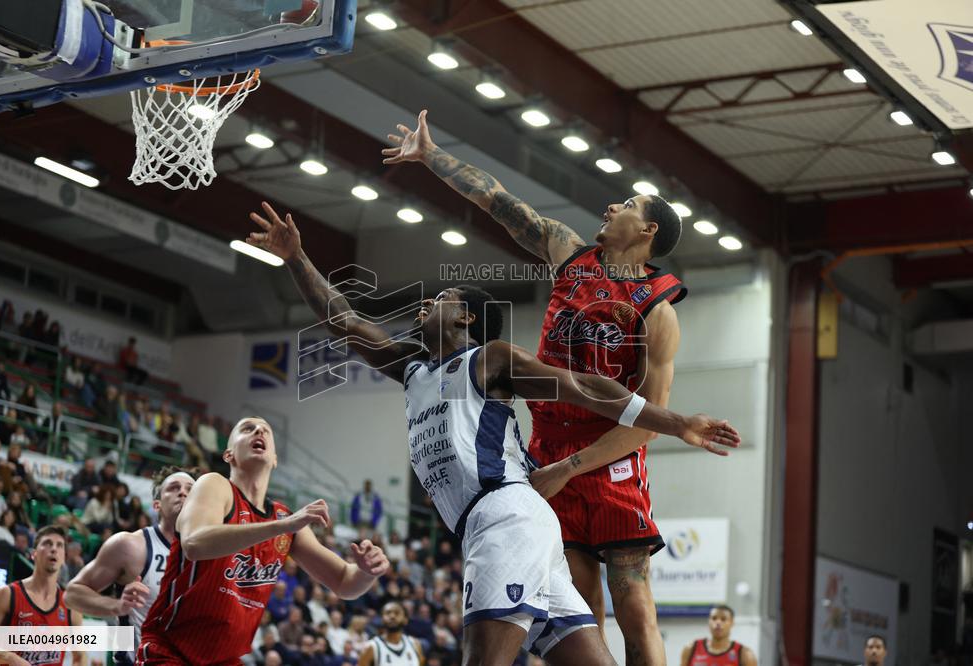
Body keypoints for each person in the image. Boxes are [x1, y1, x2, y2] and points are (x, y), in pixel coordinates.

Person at [247, 202, 739, 665]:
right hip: (510, 526)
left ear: (465, 318)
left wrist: (677, 423)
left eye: (439, 300)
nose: (423, 307)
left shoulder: (491, 361)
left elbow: (586, 387)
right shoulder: (414, 370)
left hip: (505, 517)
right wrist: (296, 257)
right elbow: (346, 321)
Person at [386, 109, 700, 665]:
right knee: (576, 597)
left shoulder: (657, 310)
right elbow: (497, 201)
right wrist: (432, 157)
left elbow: (648, 417)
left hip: (609, 451)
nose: (611, 207)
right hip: (547, 445)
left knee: (632, 598)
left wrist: (575, 466)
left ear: (648, 231)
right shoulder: (569, 253)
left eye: (626, 205)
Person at [136, 417, 390, 665]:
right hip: (171, 650)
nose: (258, 431)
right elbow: (194, 543)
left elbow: (345, 582)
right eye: (247, 429)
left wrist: (367, 572)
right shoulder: (215, 485)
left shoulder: (284, 517)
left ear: (275, 459)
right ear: (229, 455)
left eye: (265, 430)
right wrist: (283, 526)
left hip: (225, 659)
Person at [65, 467, 197, 665]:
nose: (183, 492)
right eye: (174, 487)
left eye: (190, 489)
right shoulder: (131, 545)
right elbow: (72, 594)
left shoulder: (209, 556)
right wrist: (116, 606)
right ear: (156, 504)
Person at [0, 525, 84, 666]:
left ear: (63, 558)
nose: (54, 549)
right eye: (47, 543)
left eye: (59, 545)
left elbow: (80, 657)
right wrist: (10, 658)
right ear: (34, 554)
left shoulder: (70, 607)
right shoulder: (8, 594)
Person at [680, 605, 757, 665]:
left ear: (732, 623)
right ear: (709, 621)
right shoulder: (691, 649)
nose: (718, 623)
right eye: (714, 618)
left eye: (723, 619)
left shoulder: (745, 654)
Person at [358, 601, 425, 666]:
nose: (392, 616)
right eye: (388, 613)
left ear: (405, 620)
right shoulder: (371, 647)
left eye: (397, 613)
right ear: (381, 619)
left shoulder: (415, 644)